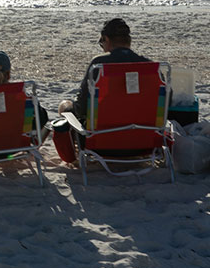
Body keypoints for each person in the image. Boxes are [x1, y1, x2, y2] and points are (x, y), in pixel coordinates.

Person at [53, 18, 153, 163]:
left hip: (102, 145)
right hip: (144, 144)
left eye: (102, 43)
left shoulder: (99, 65)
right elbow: (165, 103)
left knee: (65, 106)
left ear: (106, 39)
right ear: (128, 40)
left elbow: (81, 109)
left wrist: (69, 106)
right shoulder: (150, 67)